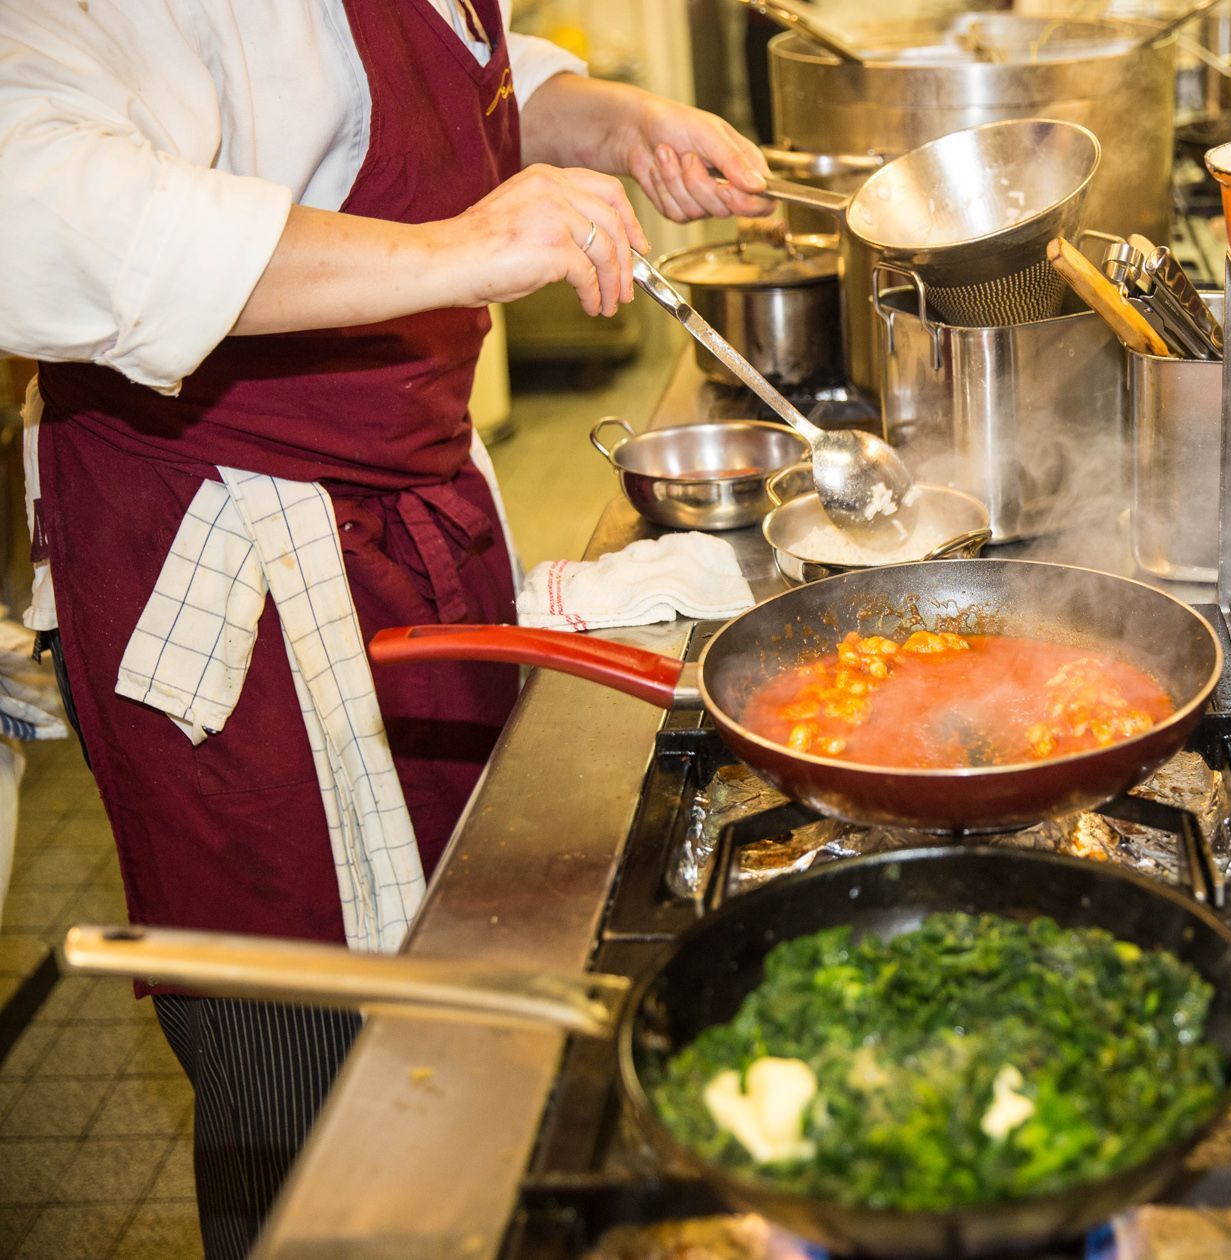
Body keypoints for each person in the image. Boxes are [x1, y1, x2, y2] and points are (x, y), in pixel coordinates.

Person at [0, 3, 772, 1255]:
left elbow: (444, 74)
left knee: (451, 972)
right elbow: (29, 208)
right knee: (301, 1070)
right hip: (231, 567)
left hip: (403, 515)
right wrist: (455, 254)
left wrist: (614, 122)